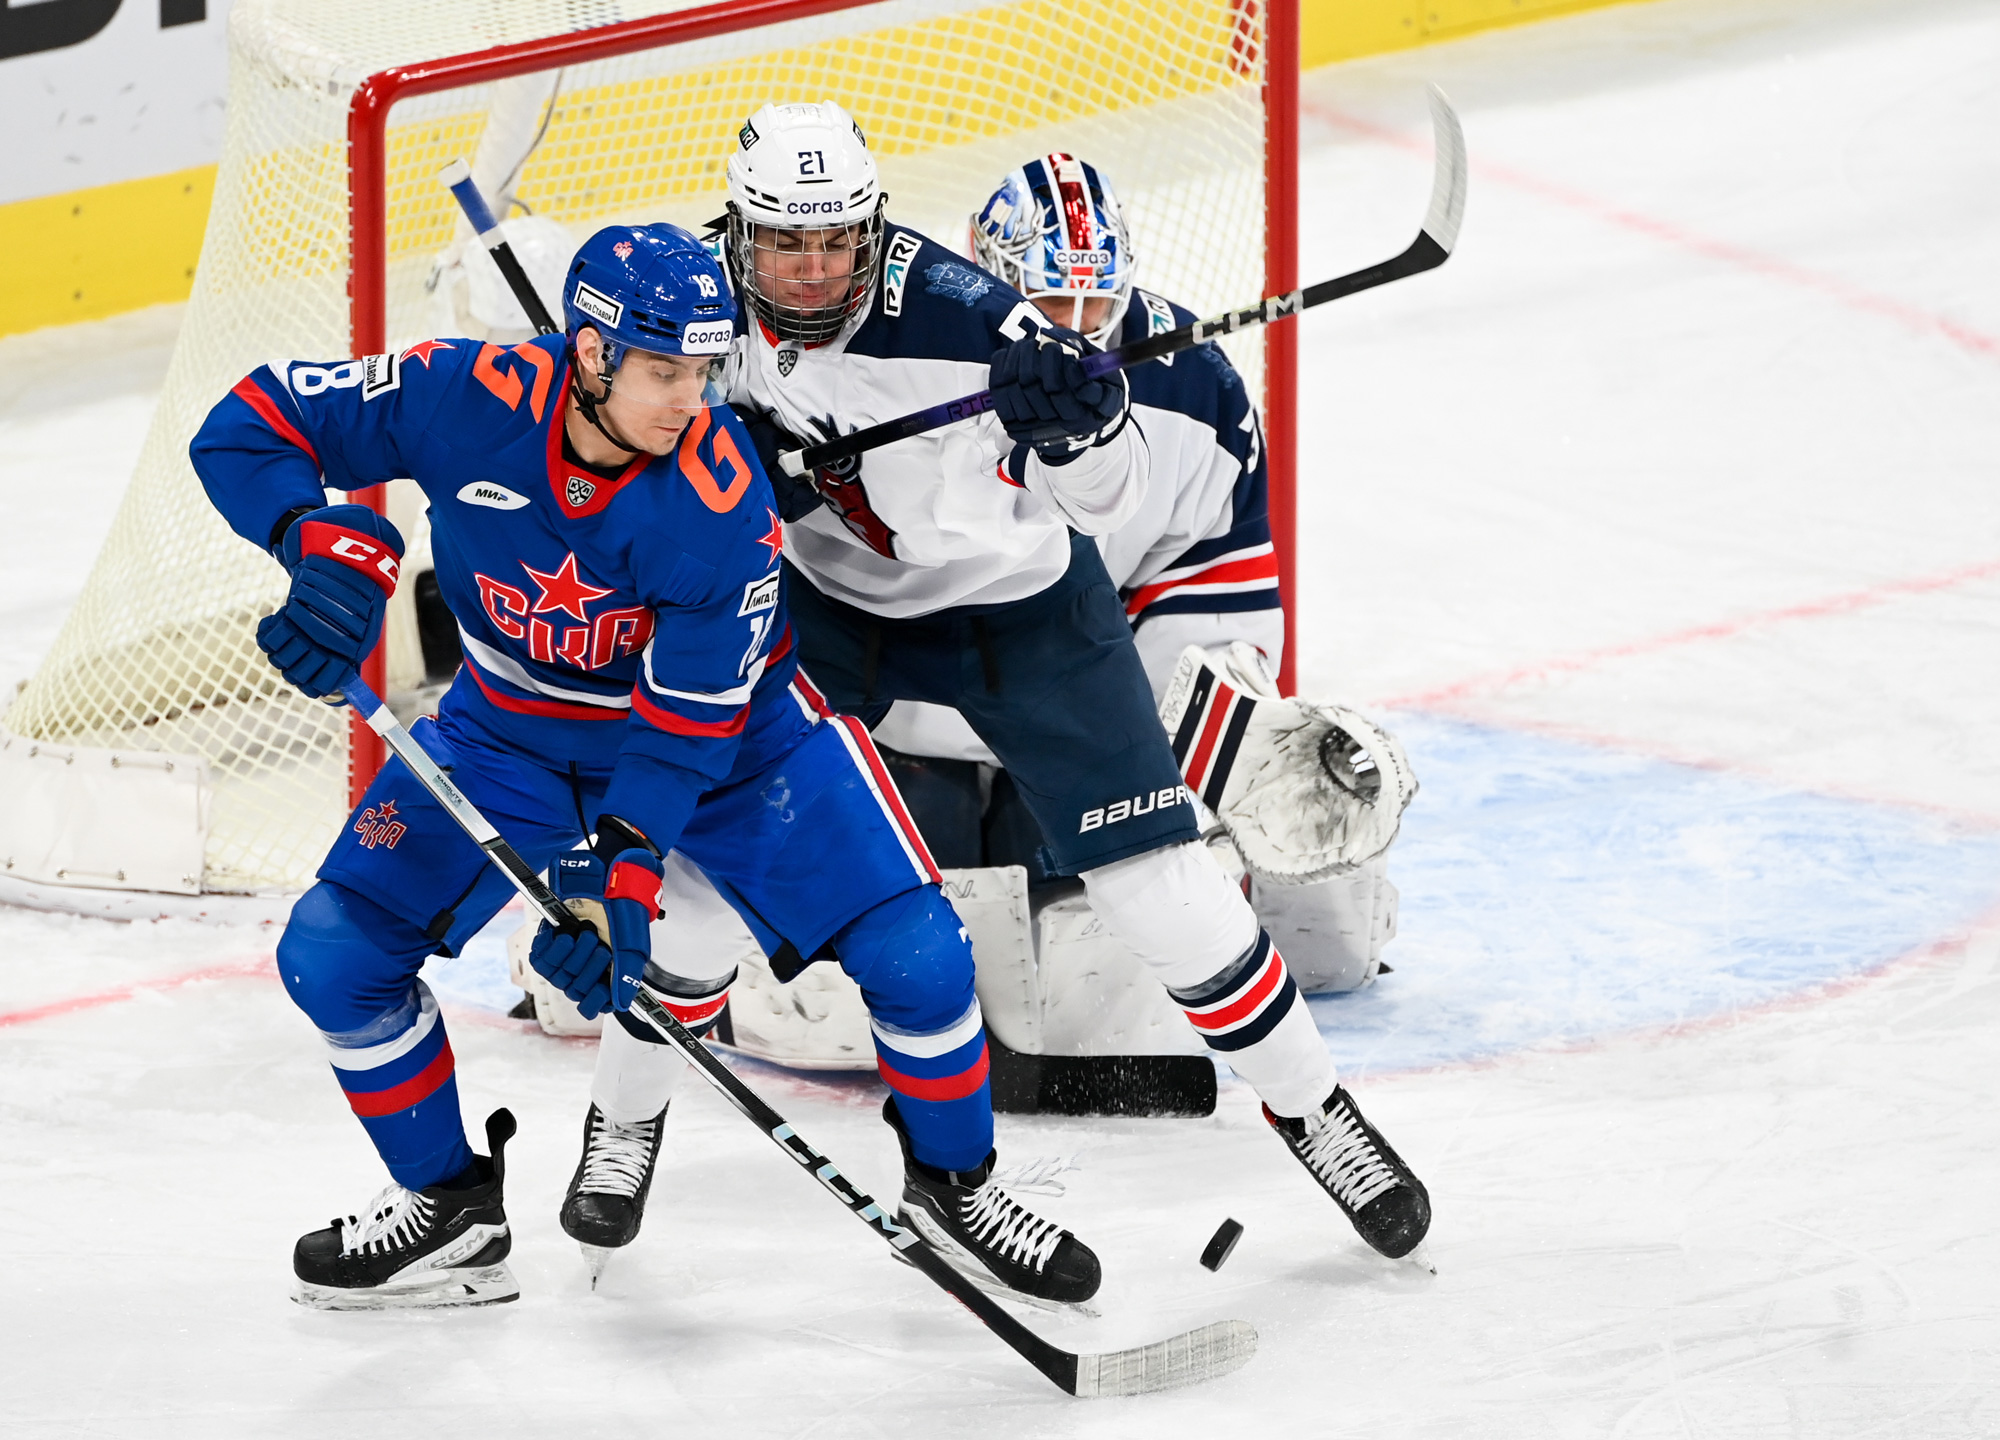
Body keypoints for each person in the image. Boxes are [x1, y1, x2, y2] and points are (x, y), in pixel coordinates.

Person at [187, 222, 1097, 1311]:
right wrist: (304, 535)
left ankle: (957, 1191)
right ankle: (450, 1213)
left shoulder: (719, 500)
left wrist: (614, 887)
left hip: (735, 748)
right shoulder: (455, 394)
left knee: (920, 958)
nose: (689, 400)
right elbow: (247, 422)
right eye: (663, 371)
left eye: (706, 372)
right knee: (332, 956)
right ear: (588, 354)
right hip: (504, 735)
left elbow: (683, 729)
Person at [581, 101, 1431, 1267]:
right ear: (741, 230)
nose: (815, 269)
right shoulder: (695, 310)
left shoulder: (975, 320)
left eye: (839, 240)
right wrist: (718, 477)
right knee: (695, 883)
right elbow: (606, 449)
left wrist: (1084, 429)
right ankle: (619, 1128)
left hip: (1031, 617)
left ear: (875, 226)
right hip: (831, 622)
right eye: (786, 243)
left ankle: (1320, 1116)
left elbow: (1114, 505)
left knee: (1163, 890)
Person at [870, 151, 1402, 995]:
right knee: (914, 902)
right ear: (982, 272)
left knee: (1124, 902)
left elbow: (1209, 597)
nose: (1076, 331)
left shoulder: (1194, 392)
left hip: (1081, 699)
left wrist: (1166, 745)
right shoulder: (892, 372)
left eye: (1098, 304)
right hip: (919, 709)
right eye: (1049, 303)